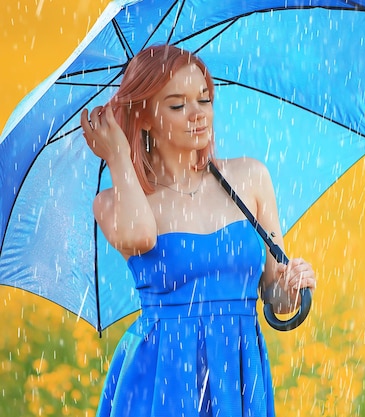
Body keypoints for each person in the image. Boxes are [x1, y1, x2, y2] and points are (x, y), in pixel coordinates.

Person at [80, 45, 316, 417]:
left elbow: (274, 296)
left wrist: (290, 288)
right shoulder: (114, 202)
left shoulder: (249, 178)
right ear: (143, 116)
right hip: (161, 374)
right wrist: (118, 157)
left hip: (236, 367)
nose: (199, 115)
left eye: (204, 100)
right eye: (178, 105)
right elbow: (140, 236)